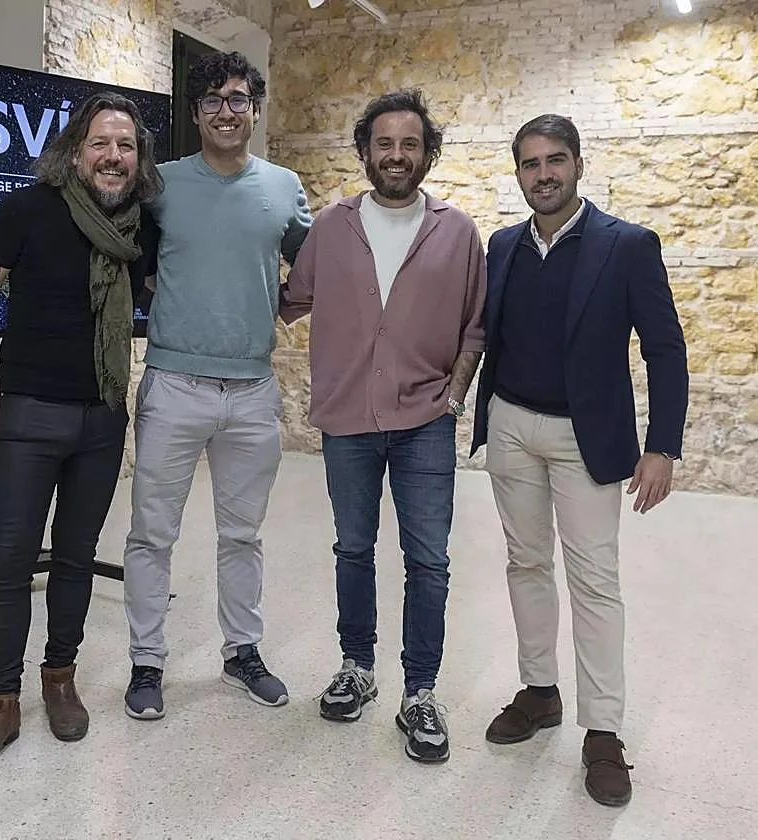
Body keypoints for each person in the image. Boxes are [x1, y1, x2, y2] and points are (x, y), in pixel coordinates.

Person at [471, 114, 688, 805]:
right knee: (525, 563)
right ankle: (540, 692)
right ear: (519, 173)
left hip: (585, 439)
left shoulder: (627, 246)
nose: (544, 175)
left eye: (555, 160)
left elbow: (666, 348)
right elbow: (486, 335)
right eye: (530, 163)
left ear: (578, 165)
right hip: (512, 426)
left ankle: (603, 732)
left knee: (595, 581)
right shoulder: (503, 245)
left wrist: (662, 446)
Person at [0, 91, 161, 775]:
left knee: (76, 557)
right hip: (29, 413)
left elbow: (171, 294)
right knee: (10, 560)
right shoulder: (26, 209)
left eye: (126, 145)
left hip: (102, 415)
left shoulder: (141, 228)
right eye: (101, 143)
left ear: (138, 158)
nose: (113, 156)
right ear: (75, 152)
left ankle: (60, 678)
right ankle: (0, 701)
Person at [280, 90, 486, 763]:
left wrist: (454, 397)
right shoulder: (331, 227)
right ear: (365, 151)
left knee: (429, 560)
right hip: (348, 419)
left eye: (410, 145)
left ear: (428, 154)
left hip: (426, 421)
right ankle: (358, 667)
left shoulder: (457, 231)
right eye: (385, 144)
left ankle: (420, 691)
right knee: (353, 548)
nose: (397, 155)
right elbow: (288, 300)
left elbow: (475, 327)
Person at [121, 50, 312, 720]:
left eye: (237, 99)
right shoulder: (162, 185)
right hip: (174, 383)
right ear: (196, 113)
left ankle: (242, 653)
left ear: (255, 110)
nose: (225, 112)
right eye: (211, 101)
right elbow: (138, 265)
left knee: (242, 534)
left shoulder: (284, 187)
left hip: (252, 389)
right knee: (152, 533)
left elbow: (312, 265)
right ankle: (147, 662)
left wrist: (275, 308)